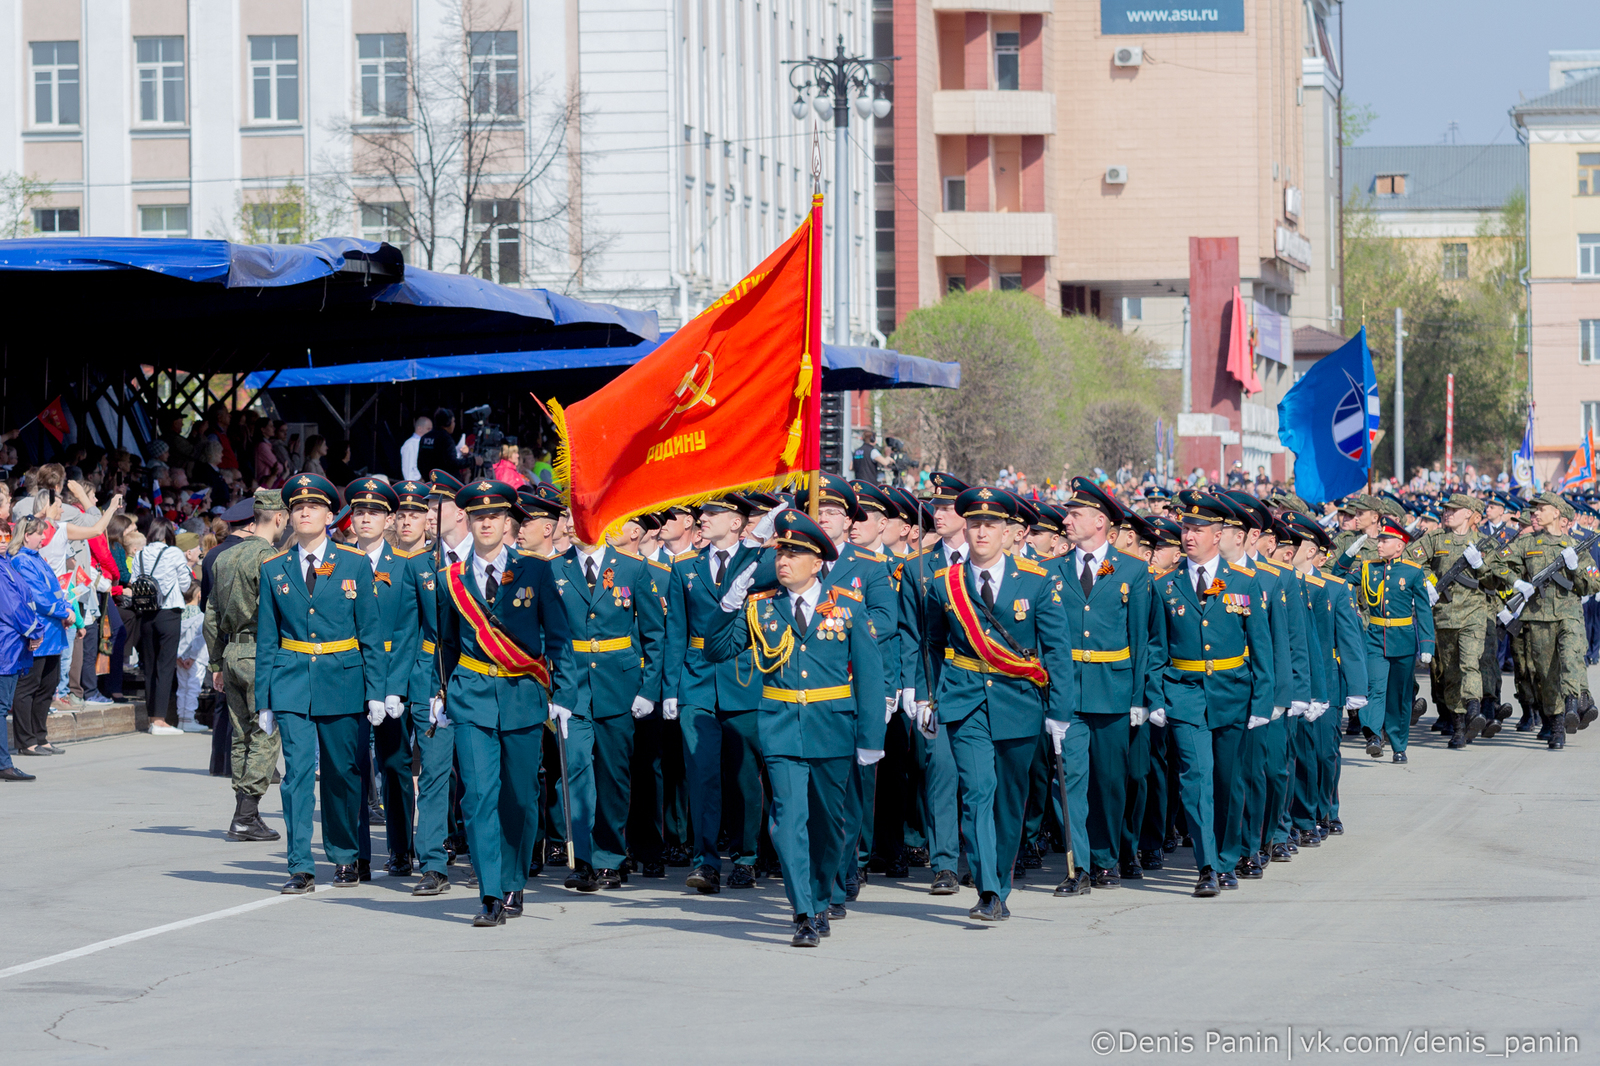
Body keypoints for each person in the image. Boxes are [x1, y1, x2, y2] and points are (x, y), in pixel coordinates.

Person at [703, 508, 887, 946]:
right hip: (781, 726)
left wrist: (871, 739)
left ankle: (822, 897)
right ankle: (803, 910)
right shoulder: (761, 609)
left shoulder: (847, 608)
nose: (783, 561)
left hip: (832, 728)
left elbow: (869, 674)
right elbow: (716, 649)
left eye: (795, 553)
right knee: (787, 820)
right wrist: (728, 603)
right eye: (781, 552)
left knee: (828, 824)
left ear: (818, 561)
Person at [916, 485, 1075, 921]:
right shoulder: (945, 583)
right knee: (977, 794)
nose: (981, 532)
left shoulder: (1038, 582)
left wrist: (1060, 711)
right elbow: (930, 642)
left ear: (1009, 532)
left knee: (1008, 802)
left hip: (1019, 701)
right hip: (965, 701)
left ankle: (1000, 884)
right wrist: (927, 697)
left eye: (991, 524)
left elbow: (1057, 650)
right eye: (975, 524)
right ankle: (987, 889)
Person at [432, 478, 576, 926]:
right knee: (478, 796)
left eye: (494, 516)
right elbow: (445, 644)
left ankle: (514, 881)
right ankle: (490, 892)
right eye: (478, 516)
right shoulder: (449, 579)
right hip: (472, 695)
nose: (486, 523)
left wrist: (563, 695)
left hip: (522, 695)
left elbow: (558, 637)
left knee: (520, 796)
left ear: (509, 522)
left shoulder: (535, 571)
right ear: (469, 522)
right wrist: (440, 692)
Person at [255, 473, 392, 893]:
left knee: (342, 773)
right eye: (298, 507)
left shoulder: (352, 563)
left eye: (314, 507)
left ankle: (344, 856)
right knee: (297, 775)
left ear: (331, 516)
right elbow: (267, 637)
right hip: (293, 679)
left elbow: (370, 630)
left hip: (343, 680)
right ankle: (300, 865)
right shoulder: (273, 568)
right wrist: (264, 699)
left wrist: (375, 691)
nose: (305, 512)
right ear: (288, 516)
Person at [1051, 478, 1159, 893]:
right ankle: (1077, 866)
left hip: (1114, 692)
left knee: (1111, 783)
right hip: (1068, 694)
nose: (1066, 520)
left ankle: (1107, 859)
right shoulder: (1053, 569)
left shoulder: (1132, 570)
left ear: (1100, 521)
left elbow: (1141, 639)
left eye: (1075, 514)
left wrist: (1138, 698)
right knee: (1069, 780)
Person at [548, 511, 667, 889]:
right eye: (571, 519)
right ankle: (582, 857)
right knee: (577, 768)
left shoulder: (632, 567)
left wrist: (649, 689)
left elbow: (654, 634)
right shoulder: (554, 569)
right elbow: (543, 632)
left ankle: (610, 857)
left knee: (614, 776)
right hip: (571, 687)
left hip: (620, 685)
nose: (574, 525)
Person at [203, 488, 288, 843]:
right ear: (280, 518)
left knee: (241, 735)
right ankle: (247, 814)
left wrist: (216, 662)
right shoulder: (271, 559)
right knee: (266, 734)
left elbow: (211, 617)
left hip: (231, 653)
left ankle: (243, 811)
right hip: (262, 653)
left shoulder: (224, 557)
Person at [1332, 520, 1435, 761]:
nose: (1379, 544)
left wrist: (1427, 644)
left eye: (1384, 541)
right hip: (1376, 638)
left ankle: (1399, 746)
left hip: (1404, 641)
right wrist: (1348, 555)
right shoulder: (1368, 568)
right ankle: (1373, 736)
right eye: (1378, 540)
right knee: (1373, 688)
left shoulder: (1412, 571)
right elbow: (1338, 578)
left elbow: (1423, 609)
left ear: (1399, 546)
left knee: (1399, 695)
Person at [9, 517, 74, 758]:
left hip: (54, 631)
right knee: (28, 688)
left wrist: (66, 609)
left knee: (47, 685)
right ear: (27, 535)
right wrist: (62, 611)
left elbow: (56, 590)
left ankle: (40, 736)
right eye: (39, 534)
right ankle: (26, 741)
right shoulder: (21, 561)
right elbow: (38, 596)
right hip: (38, 631)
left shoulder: (38, 558)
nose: (42, 538)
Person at [130, 518, 192, 735]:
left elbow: (133, 581)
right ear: (168, 534)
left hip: (146, 615)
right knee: (165, 667)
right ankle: (160, 721)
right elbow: (185, 584)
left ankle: (151, 718)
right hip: (169, 613)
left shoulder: (139, 554)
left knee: (150, 668)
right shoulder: (174, 553)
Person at [0, 538, 46, 779]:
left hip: (12, 643)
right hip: (5, 644)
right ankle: (3, 765)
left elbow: (24, 601)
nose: (2, 542)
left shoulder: (6, 563)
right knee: (0, 706)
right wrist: (35, 630)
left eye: (5, 537)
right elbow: (12, 606)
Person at [174, 581, 210, 733]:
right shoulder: (201, 616)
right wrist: (193, 657)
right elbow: (200, 638)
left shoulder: (177, 615)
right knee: (193, 687)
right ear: (199, 594)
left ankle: (182, 719)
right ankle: (189, 718)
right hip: (196, 659)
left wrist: (177, 656)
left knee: (182, 688)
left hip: (179, 658)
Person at [400, 416, 432, 482]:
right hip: (416, 486)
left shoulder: (425, 444)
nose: (431, 432)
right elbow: (408, 472)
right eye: (428, 429)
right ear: (419, 429)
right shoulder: (410, 445)